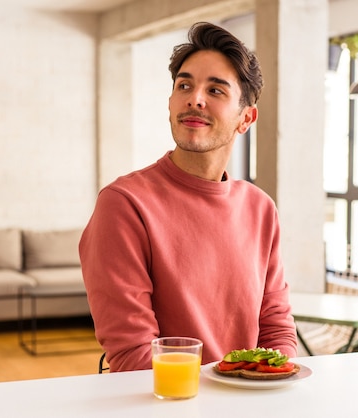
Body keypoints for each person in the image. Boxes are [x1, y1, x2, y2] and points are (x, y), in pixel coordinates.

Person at [79, 21, 297, 372]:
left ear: (246, 118)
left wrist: (266, 387)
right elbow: (134, 354)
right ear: (170, 104)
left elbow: (276, 327)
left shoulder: (261, 208)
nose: (194, 98)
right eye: (185, 85)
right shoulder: (124, 204)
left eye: (215, 90)